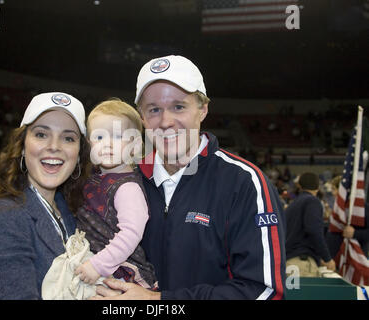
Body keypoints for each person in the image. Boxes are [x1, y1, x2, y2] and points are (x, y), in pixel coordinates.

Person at [94, 55, 286, 300]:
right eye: (154, 109)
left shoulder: (243, 182)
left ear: (203, 109)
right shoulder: (125, 180)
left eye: (179, 106)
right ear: (142, 118)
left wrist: (158, 301)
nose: (166, 122)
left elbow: (264, 292)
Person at [0, 92, 90, 299]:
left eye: (68, 138)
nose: (54, 146)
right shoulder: (1, 218)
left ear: (78, 155)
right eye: (41, 134)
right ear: (22, 146)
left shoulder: (72, 213)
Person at [75, 99, 157, 288]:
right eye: (100, 137)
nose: (108, 144)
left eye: (118, 136)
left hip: (119, 270)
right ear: (89, 145)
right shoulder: (93, 176)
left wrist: (98, 265)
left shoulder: (128, 188)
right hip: (94, 261)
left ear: (135, 145)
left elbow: (131, 233)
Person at [285, 172, 336, 277]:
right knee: (306, 294)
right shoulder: (312, 201)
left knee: (293, 294)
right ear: (318, 187)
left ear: (300, 186)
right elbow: (314, 230)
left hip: (289, 260)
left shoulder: (293, 204)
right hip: (302, 263)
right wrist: (327, 258)